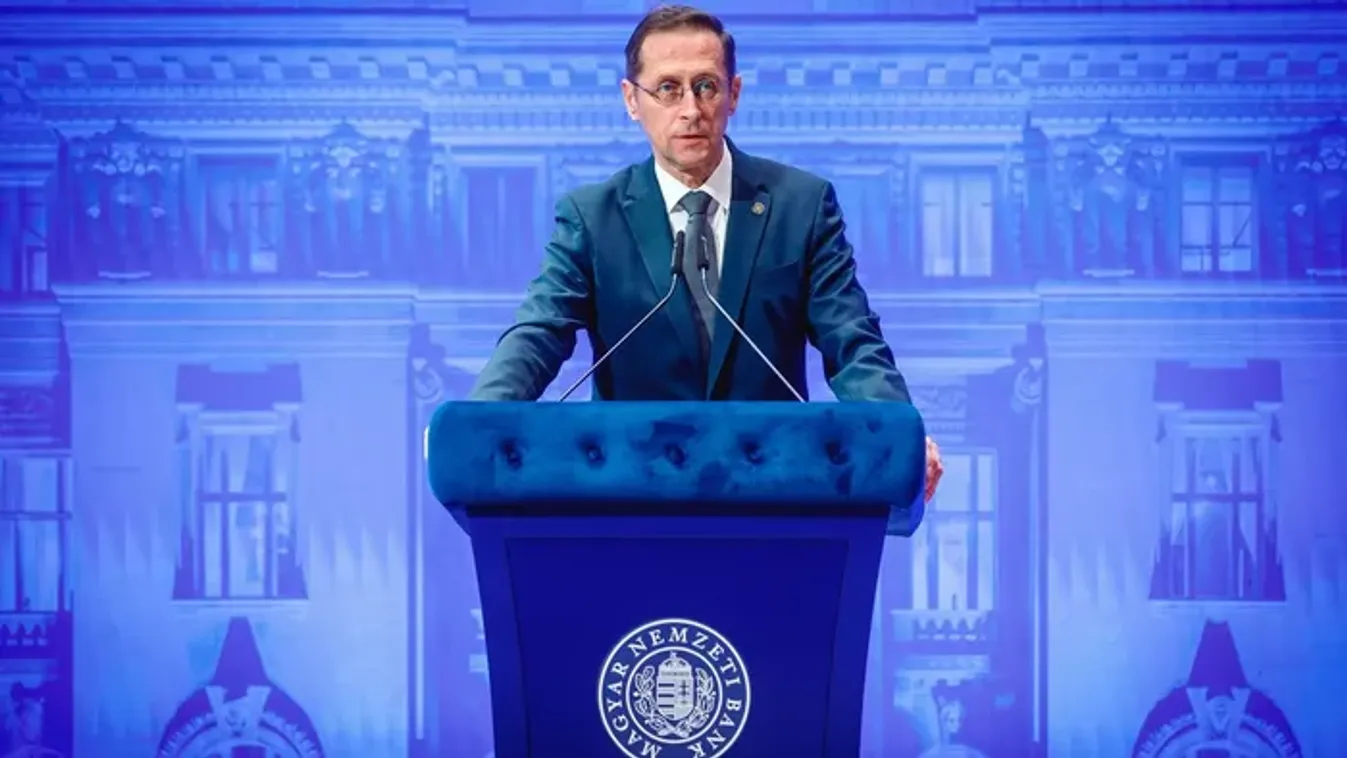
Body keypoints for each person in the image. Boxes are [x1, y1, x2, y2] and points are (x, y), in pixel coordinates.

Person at [469, 4, 943, 500]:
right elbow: (539, 334)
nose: (691, 109)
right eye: (668, 88)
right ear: (632, 100)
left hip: (772, 491)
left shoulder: (800, 205)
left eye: (706, 86)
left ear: (734, 94)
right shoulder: (592, 218)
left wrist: (898, 433)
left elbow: (851, 341)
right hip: (632, 493)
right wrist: (475, 425)